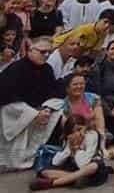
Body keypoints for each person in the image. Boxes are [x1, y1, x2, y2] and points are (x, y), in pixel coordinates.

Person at [0, 37, 63, 171]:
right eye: (42, 52)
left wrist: (47, 108)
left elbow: (54, 93)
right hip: (18, 113)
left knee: (60, 111)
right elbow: (6, 97)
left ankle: (44, 154)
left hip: (40, 110)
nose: (46, 55)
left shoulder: (47, 69)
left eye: (49, 53)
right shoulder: (15, 69)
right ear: (30, 50)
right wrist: (33, 114)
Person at [28, 114, 108, 190]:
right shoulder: (70, 139)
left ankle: (53, 183)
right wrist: (69, 148)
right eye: (73, 132)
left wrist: (76, 149)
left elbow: (82, 164)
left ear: (85, 126)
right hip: (76, 171)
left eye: (79, 129)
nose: (77, 133)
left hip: (92, 171)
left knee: (93, 166)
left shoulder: (92, 135)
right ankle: (75, 179)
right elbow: (55, 162)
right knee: (44, 172)